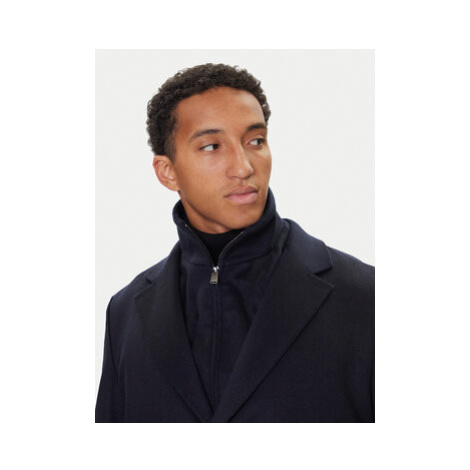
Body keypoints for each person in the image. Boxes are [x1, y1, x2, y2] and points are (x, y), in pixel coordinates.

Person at [95, 63, 375, 423]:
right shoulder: (126, 313)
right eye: (212, 146)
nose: (243, 167)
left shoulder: (367, 298)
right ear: (167, 172)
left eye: (255, 141)